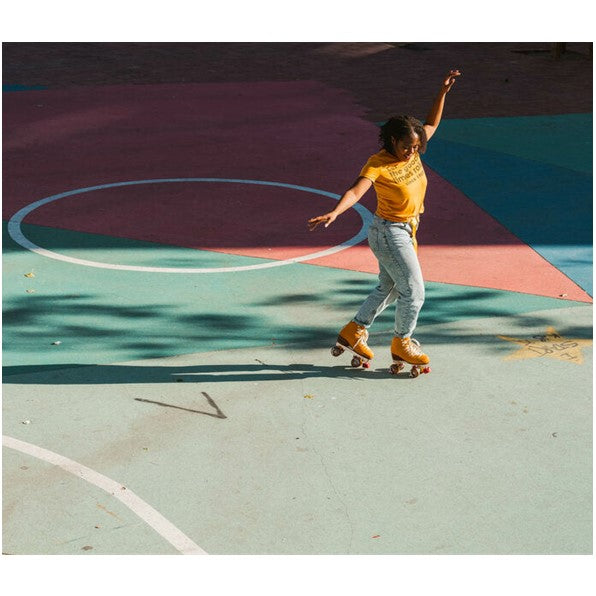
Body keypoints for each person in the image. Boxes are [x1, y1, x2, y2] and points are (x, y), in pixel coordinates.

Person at [308, 69, 461, 371]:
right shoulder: (378, 164)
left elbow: (431, 123)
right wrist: (336, 211)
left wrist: (442, 92)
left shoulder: (414, 149)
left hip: (406, 230)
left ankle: (354, 330)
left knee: (390, 287)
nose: (411, 152)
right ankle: (402, 343)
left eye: (416, 147)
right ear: (392, 141)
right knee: (414, 291)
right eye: (406, 147)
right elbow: (356, 189)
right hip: (390, 233)